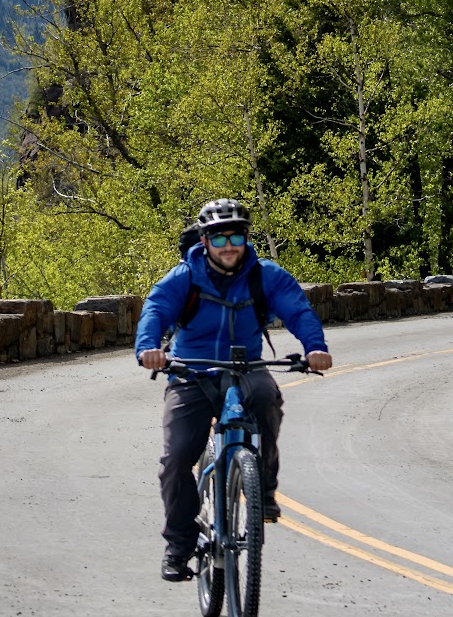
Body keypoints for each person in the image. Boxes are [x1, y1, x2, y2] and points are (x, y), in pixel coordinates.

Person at [135, 197, 333, 582]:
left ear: (246, 238)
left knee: (267, 402)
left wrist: (315, 348)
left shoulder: (266, 276)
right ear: (205, 241)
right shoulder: (185, 277)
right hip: (191, 373)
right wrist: (149, 349)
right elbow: (155, 310)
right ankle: (178, 546)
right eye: (219, 237)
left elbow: (298, 310)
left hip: (247, 368)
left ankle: (264, 486)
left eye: (236, 236)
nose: (228, 245)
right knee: (176, 460)